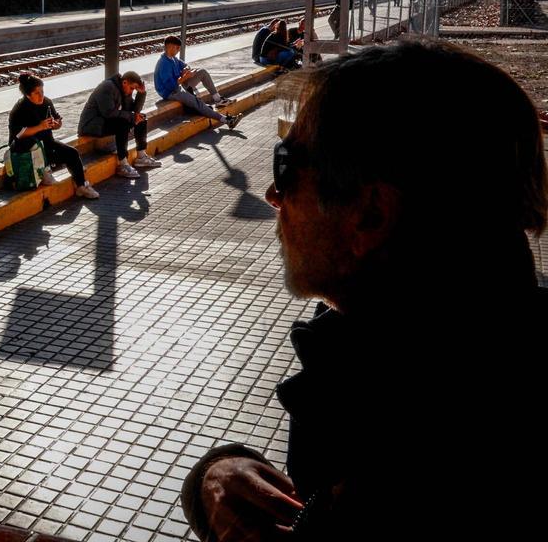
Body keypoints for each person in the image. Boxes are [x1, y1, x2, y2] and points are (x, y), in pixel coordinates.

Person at [181, 38, 547, 541]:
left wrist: (209, 479)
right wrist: (217, 473)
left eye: (285, 167)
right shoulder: (486, 349)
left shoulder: (410, 454)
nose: (271, 196)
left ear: (371, 212)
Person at [8, 72, 99, 199]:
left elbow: (57, 120)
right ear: (28, 95)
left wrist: (57, 124)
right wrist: (40, 126)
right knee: (34, 144)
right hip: (26, 149)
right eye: (36, 93)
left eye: (42, 92)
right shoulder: (20, 109)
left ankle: (82, 186)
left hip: (46, 143)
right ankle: (44, 171)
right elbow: (18, 135)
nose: (41, 96)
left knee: (72, 153)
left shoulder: (46, 102)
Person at [78, 71, 162, 178]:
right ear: (125, 83)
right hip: (91, 124)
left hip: (104, 122)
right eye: (132, 88)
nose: (132, 91)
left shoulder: (124, 91)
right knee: (122, 124)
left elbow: (134, 111)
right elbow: (108, 112)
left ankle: (141, 156)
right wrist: (132, 117)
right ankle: (123, 164)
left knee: (141, 119)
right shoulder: (107, 87)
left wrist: (141, 94)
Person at [153, 36, 242, 130]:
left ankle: (218, 99)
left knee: (202, 72)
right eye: (177, 48)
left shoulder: (173, 58)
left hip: (179, 85)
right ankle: (227, 120)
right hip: (171, 92)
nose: (179, 50)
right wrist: (185, 77)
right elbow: (171, 86)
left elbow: (185, 65)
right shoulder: (163, 63)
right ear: (170, 47)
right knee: (197, 102)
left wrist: (185, 70)